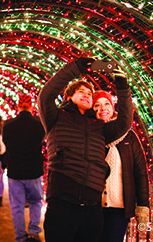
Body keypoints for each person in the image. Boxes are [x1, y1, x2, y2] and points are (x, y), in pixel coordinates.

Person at [37, 57, 133, 242]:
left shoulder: (100, 127)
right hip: (62, 203)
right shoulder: (55, 117)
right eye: (81, 91)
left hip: (92, 206)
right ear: (68, 97)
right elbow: (45, 96)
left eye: (90, 93)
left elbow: (124, 122)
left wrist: (122, 85)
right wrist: (76, 68)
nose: (87, 94)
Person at [92, 90, 150, 242]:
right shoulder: (90, 136)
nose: (102, 108)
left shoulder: (129, 136)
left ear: (112, 107)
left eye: (106, 104)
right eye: (96, 105)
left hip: (119, 208)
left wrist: (143, 205)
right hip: (92, 207)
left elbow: (140, 172)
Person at [2, 94, 45, 242]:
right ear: (32, 107)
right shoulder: (39, 123)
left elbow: (6, 145)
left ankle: (20, 236)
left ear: (18, 106)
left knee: (17, 206)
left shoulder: (7, 125)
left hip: (15, 171)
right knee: (36, 202)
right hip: (34, 170)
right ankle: (34, 231)